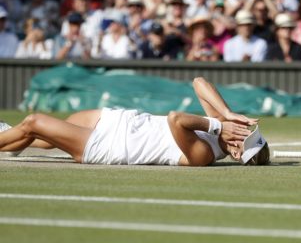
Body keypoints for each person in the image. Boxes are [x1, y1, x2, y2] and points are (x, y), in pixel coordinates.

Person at [0, 77, 269, 166]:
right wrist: (229, 113)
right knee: (48, 137)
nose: (242, 127)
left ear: (235, 150)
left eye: (243, 133)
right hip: (118, 121)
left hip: (108, 145)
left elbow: (177, 120)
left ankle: (8, 138)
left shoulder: (205, 155)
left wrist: (219, 124)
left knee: (33, 122)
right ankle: (12, 144)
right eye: (246, 127)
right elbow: (198, 82)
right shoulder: (219, 124)